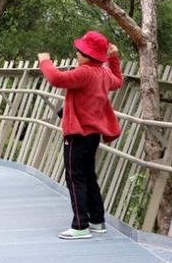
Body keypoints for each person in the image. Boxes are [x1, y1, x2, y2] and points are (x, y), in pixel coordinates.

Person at [38, 30, 123, 239]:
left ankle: (80, 226)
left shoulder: (85, 72)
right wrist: (114, 58)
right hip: (93, 134)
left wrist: (45, 61)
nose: (76, 54)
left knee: (74, 177)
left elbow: (56, 78)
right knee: (88, 176)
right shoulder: (103, 74)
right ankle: (96, 221)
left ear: (86, 55)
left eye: (79, 51)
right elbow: (118, 81)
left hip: (77, 133)